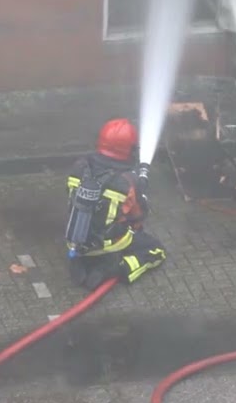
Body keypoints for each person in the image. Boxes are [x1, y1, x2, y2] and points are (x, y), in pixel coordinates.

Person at [64, 118, 167, 290]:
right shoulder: (126, 181)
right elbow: (138, 216)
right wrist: (140, 194)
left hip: (75, 238)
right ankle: (120, 269)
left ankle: (81, 262)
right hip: (108, 245)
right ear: (129, 149)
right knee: (156, 250)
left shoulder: (80, 166)